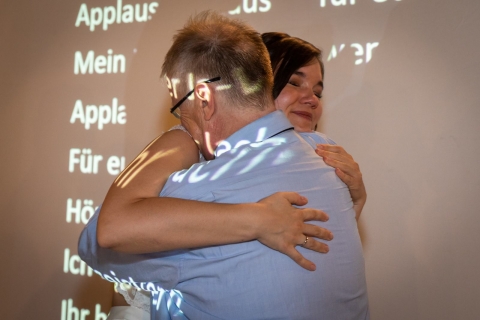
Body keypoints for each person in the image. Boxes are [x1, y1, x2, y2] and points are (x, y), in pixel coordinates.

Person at [79, 11, 369, 319]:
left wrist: (173, 142)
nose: (184, 122)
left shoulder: (197, 191)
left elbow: (98, 243)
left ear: (204, 98)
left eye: (180, 109)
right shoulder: (329, 160)